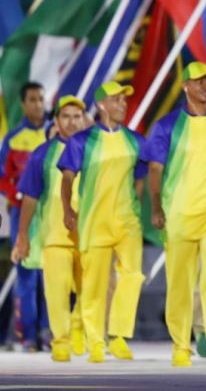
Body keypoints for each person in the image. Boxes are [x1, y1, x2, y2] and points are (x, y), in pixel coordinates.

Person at [142, 62, 206, 368]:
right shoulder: (166, 126)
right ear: (186, 86)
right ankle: (181, 345)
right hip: (179, 215)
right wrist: (156, 207)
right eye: (200, 83)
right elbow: (155, 170)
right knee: (181, 284)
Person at [58, 81, 146, 363]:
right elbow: (68, 177)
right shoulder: (82, 141)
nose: (122, 103)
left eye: (124, 99)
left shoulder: (135, 140)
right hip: (94, 221)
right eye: (116, 99)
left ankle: (118, 336)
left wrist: (135, 207)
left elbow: (140, 179)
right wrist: (67, 210)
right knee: (94, 285)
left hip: (127, 222)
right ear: (101, 104)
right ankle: (96, 340)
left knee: (132, 276)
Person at [11, 95, 88, 362]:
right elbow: (29, 198)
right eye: (65, 116)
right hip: (55, 236)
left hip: (91, 236)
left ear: (85, 120)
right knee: (56, 293)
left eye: (77, 116)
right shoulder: (42, 155)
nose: (72, 121)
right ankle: (61, 341)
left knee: (89, 290)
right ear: (56, 121)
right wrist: (22, 235)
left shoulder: (96, 149)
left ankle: (78, 326)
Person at [0, 81, 49, 352]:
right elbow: (2, 176)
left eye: (41, 98)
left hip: (51, 213)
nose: (38, 104)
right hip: (23, 215)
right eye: (32, 99)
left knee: (53, 274)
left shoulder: (56, 132)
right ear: (23, 103)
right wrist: (15, 196)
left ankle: (51, 331)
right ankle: (29, 336)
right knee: (27, 274)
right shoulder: (14, 139)